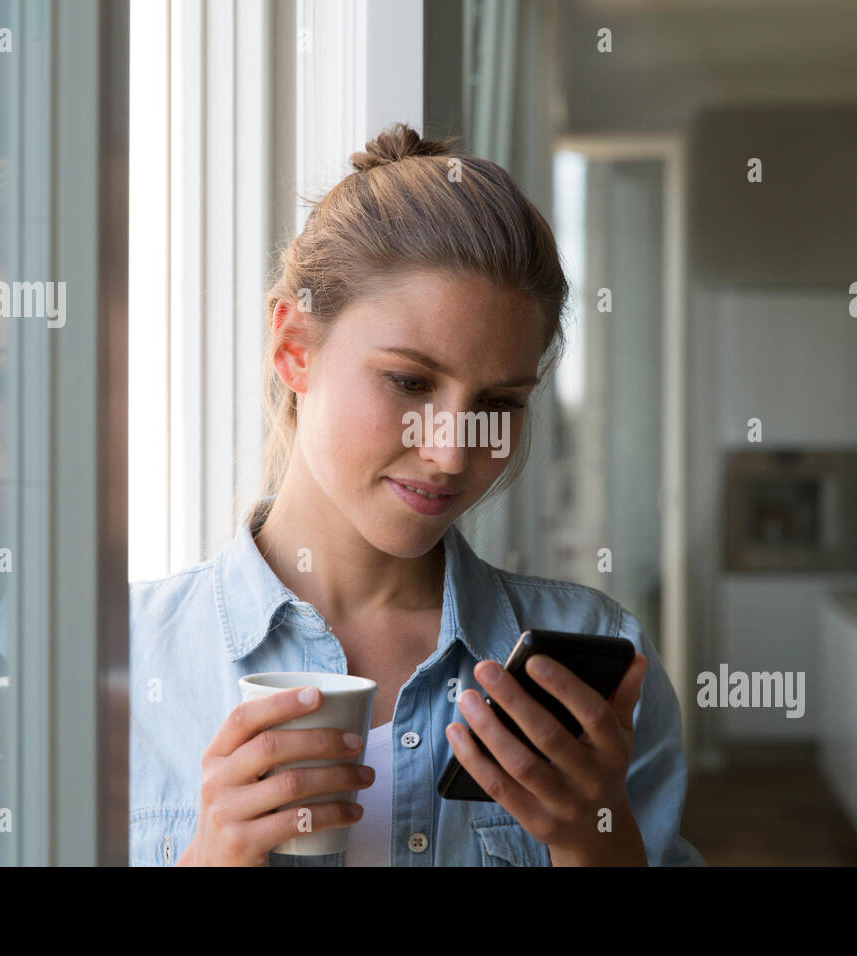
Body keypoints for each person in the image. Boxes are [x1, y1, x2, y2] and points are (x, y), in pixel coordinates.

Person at [129, 122, 703, 867]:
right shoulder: (120, 661)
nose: (452, 450)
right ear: (293, 348)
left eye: (500, 402)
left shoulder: (602, 668)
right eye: (410, 382)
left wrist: (597, 844)